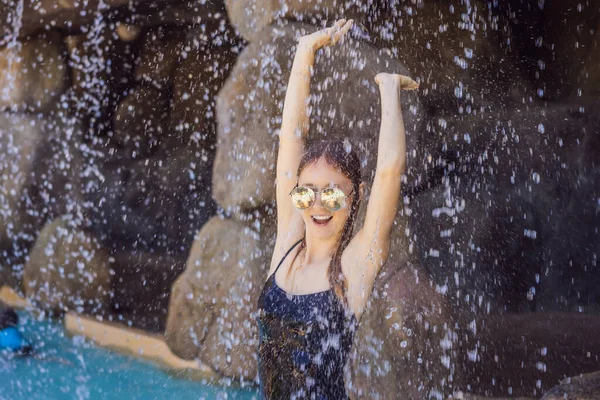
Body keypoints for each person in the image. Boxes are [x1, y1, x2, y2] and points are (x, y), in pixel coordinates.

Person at [256, 18, 419, 399]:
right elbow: (291, 136)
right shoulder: (287, 246)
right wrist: (305, 51)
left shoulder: (354, 267)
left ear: (355, 196)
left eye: (332, 195)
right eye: (305, 194)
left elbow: (390, 172)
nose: (317, 206)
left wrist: (389, 90)